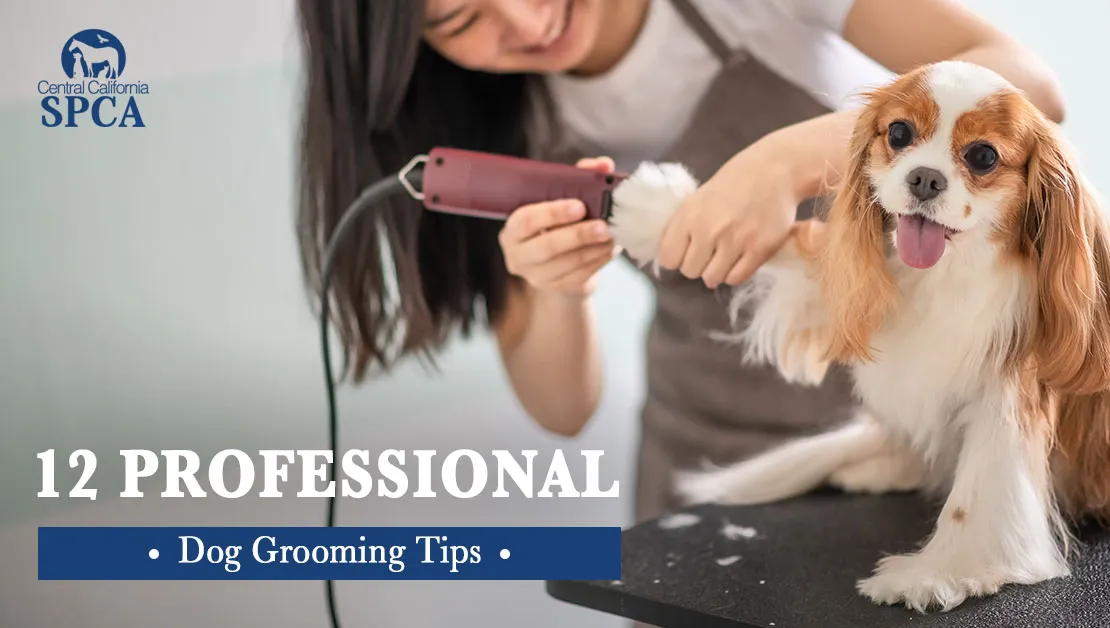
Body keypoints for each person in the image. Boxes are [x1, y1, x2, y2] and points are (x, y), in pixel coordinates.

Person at [295, 0, 1066, 526]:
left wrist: (791, 158)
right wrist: (556, 287)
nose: (526, 20)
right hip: (709, 461)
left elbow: (1027, 80)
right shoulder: (501, 122)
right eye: (461, 18)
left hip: (930, 440)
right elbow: (561, 408)